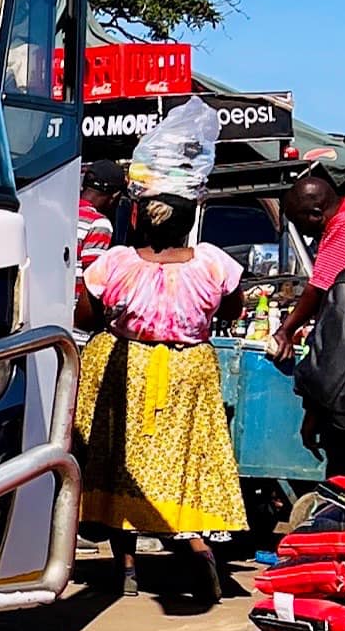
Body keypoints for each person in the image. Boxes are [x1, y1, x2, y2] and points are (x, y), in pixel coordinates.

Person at [75, 189, 247, 602]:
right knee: (183, 462)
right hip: (188, 371)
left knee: (122, 465)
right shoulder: (211, 262)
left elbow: (85, 315)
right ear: (189, 224)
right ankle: (198, 549)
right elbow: (232, 310)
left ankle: (126, 567)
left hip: (127, 367)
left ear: (139, 221)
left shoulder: (116, 263)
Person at [272, 163, 345, 475]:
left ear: (315, 214)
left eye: (300, 223)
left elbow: (319, 289)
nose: (305, 233)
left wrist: (286, 330)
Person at [77, 159, 125, 296]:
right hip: (74, 304)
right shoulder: (98, 223)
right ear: (114, 196)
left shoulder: (63, 211)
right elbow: (92, 279)